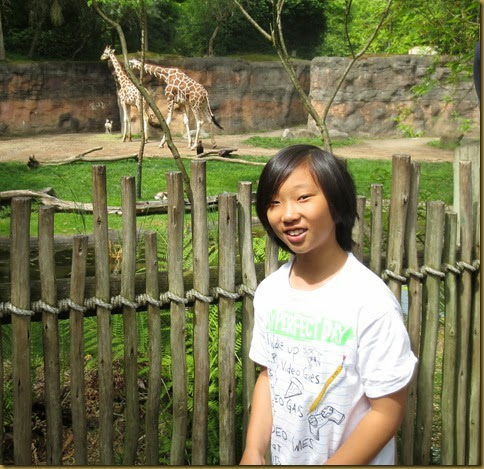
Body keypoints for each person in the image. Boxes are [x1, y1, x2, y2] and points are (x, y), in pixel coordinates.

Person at [240, 145, 417, 465]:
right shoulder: (270, 293)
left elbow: (387, 412)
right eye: (274, 202)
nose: (287, 214)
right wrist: (253, 449)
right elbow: (269, 375)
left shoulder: (371, 302)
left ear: (336, 204)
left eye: (303, 197)